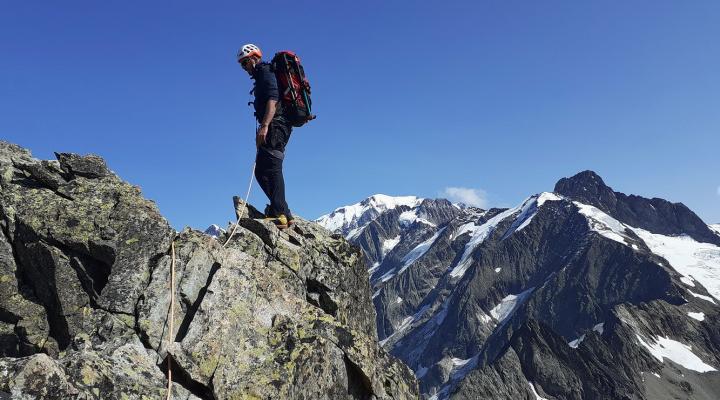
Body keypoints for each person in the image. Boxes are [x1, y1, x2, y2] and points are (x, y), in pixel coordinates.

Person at [237, 43, 294, 228]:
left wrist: (265, 126)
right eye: (241, 65)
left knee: (272, 167)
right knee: (261, 171)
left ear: (254, 57)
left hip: (275, 126)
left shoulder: (266, 72)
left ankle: (280, 215)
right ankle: (284, 211)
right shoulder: (262, 75)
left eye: (245, 63)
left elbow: (273, 98)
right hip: (275, 126)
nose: (244, 68)